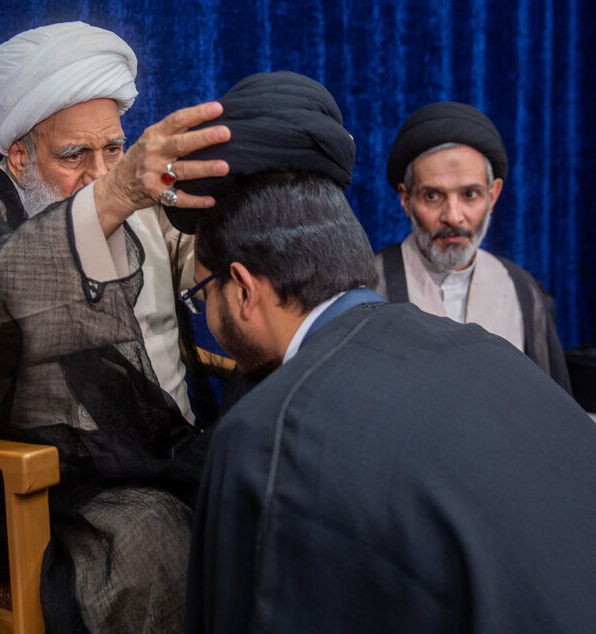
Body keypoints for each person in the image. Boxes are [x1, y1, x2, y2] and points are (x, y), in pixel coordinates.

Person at [182, 74, 596, 633]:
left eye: (202, 294)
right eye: (434, 195)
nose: (454, 216)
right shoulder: (497, 359)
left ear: (242, 287)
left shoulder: (261, 438)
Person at [0, 21, 228, 632]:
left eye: (114, 150)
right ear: (19, 156)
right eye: (75, 155)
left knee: (271, 473)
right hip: (45, 482)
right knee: (154, 542)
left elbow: (203, 259)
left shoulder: (145, 203)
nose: (100, 174)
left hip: (169, 442)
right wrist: (113, 196)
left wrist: (244, 218)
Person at [375, 102, 571, 391]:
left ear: (493, 195)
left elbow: (548, 405)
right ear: (406, 199)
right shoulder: (370, 289)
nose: (453, 216)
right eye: (432, 196)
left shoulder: (521, 292)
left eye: (470, 194)